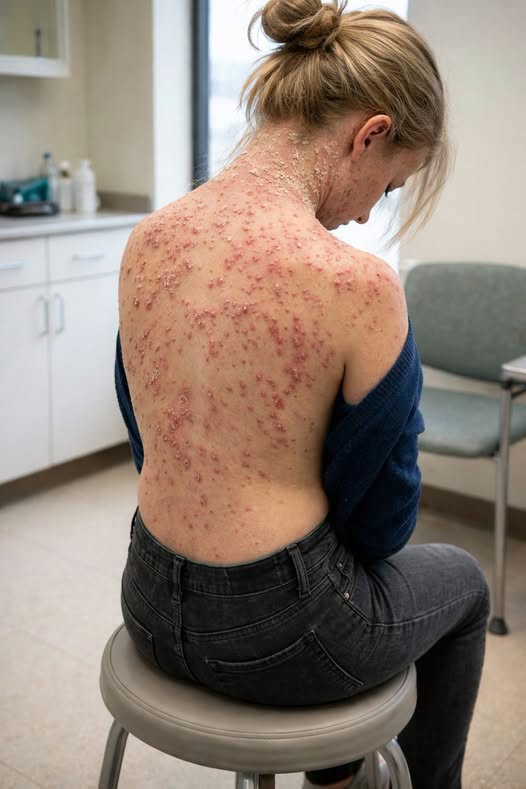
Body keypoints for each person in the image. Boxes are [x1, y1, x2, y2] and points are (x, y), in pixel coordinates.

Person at [114, 1, 489, 787]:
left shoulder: (148, 239)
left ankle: (337, 772)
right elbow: (383, 522)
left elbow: (149, 437)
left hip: (145, 600)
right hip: (283, 637)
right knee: (463, 582)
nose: (367, 212)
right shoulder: (359, 286)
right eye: (388, 186)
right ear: (370, 134)